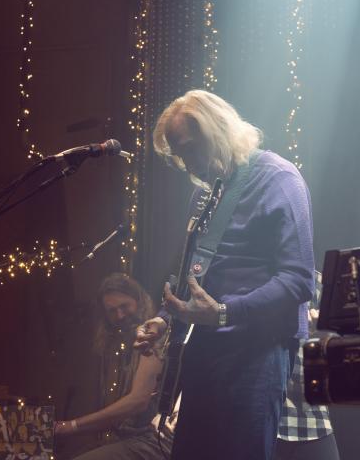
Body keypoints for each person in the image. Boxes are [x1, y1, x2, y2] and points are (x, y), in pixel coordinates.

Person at [134, 89, 315, 460]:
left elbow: (299, 280)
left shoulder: (278, 178)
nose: (187, 164)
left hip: (257, 351)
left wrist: (223, 312)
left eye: (189, 149)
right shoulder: (205, 194)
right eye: (179, 155)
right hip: (205, 348)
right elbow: (194, 274)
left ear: (217, 131)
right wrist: (165, 318)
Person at [54, 273, 172, 459]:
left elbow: (137, 402)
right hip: (126, 438)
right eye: (112, 310)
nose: (120, 315)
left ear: (139, 301)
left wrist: (72, 426)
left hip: (153, 438)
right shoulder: (115, 343)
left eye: (124, 306)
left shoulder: (153, 335)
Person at [274, 272, 340, 460]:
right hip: (266, 416)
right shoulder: (262, 277)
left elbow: (342, 346)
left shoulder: (320, 282)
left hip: (312, 418)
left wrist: (325, 336)